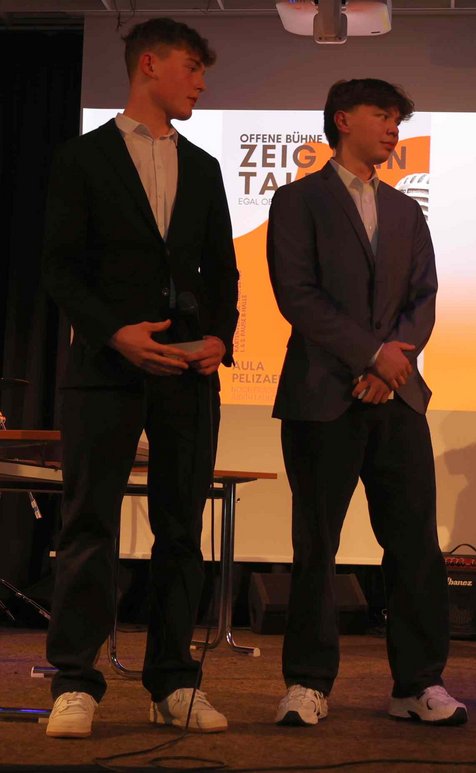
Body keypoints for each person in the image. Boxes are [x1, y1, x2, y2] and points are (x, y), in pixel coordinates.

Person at [42, 18, 239, 738]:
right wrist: (114, 333)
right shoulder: (83, 157)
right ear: (149, 65)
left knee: (181, 528)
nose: (202, 83)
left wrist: (221, 335)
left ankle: (174, 682)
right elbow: (59, 266)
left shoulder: (205, 167)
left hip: (187, 373)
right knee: (88, 523)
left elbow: (223, 270)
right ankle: (75, 682)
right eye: (192, 67)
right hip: (105, 369)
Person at [266, 78, 467, 727]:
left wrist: (391, 364)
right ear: (343, 119)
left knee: (414, 545)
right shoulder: (298, 200)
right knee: (315, 544)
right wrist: (369, 355)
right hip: (322, 396)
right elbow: (297, 295)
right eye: (382, 115)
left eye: (398, 120)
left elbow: (423, 297)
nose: (392, 129)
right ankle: (307, 682)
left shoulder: (406, 211)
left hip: (397, 399)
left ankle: (418, 683)